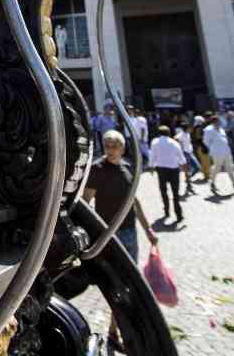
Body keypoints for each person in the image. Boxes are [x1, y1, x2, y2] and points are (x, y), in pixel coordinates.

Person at [83, 130, 159, 352]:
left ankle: (114, 330)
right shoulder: (97, 170)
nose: (110, 149)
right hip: (109, 236)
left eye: (115, 145)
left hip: (130, 233)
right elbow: (86, 204)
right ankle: (116, 332)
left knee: (128, 284)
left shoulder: (127, 168)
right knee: (118, 284)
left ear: (123, 148)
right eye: (107, 145)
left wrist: (149, 230)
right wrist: (94, 233)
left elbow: (134, 203)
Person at [149, 125, 186, 222]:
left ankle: (166, 211)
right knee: (175, 193)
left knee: (163, 191)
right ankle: (178, 214)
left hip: (161, 169)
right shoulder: (174, 143)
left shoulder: (154, 142)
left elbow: (152, 155)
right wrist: (184, 166)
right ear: (169, 133)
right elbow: (181, 156)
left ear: (159, 133)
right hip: (173, 169)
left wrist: (151, 166)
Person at [203, 116, 234, 195]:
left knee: (230, 168)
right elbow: (206, 142)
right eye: (218, 121)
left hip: (226, 151)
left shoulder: (221, 129)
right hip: (217, 152)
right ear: (214, 122)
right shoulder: (208, 130)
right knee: (217, 168)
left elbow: (225, 139)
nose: (219, 123)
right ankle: (212, 182)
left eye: (219, 121)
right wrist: (213, 148)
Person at [175, 122, 197, 196]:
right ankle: (189, 186)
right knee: (187, 171)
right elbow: (176, 139)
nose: (191, 129)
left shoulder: (188, 134)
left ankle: (188, 181)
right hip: (185, 154)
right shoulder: (180, 135)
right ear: (187, 128)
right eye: (190, 128)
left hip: (190, 153)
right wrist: (181, 151)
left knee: (197, 167)